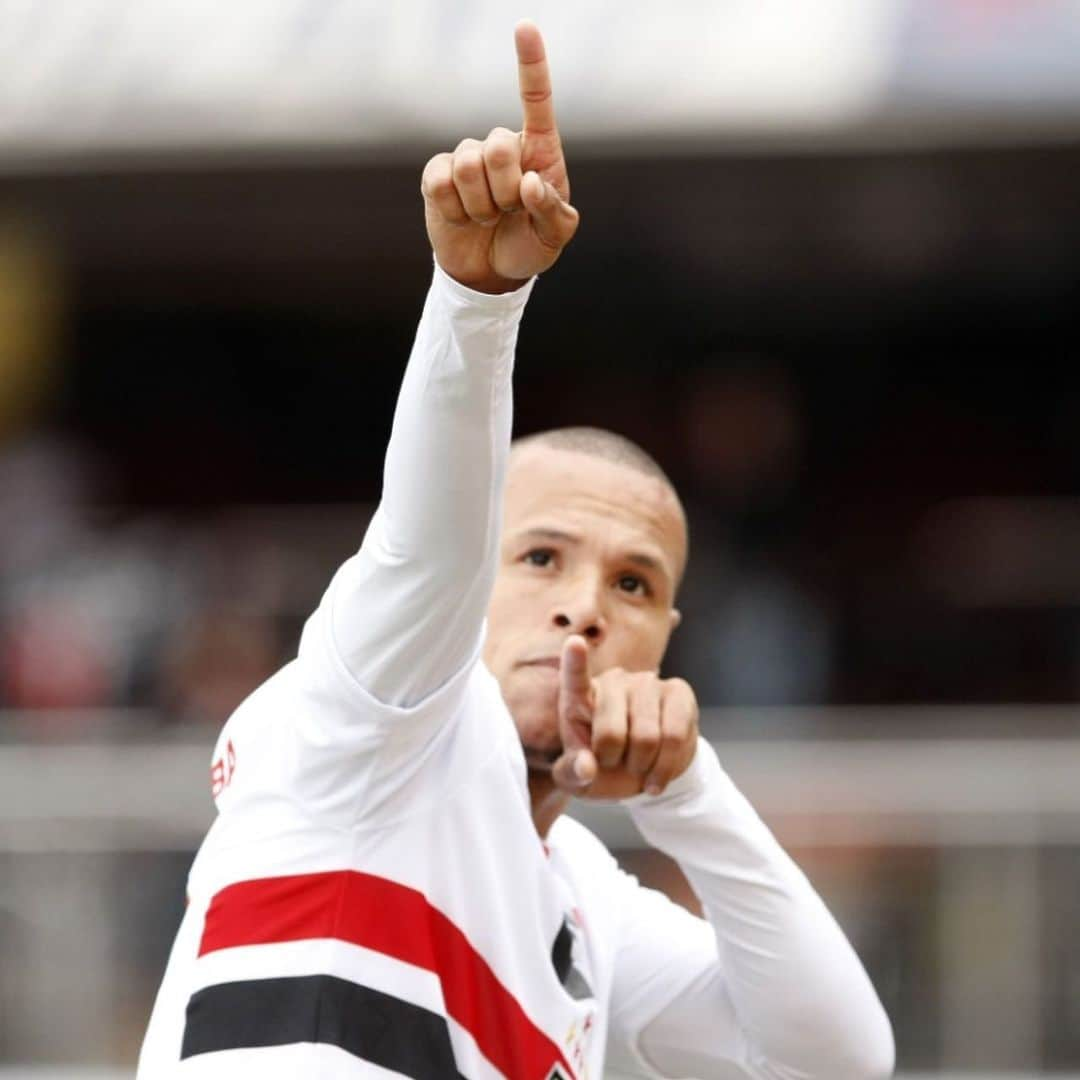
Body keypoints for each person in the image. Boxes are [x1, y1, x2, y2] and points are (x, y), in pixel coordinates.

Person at [138, 22, 894, 1080]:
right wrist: (478, 305)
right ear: (468, 584)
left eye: (633, 583)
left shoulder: (586, 894)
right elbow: (427, 545)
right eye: (540, 557)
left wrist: (688, 796)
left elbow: (837, 1063)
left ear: (665, 641)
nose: (586, 606)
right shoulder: (367, 721)